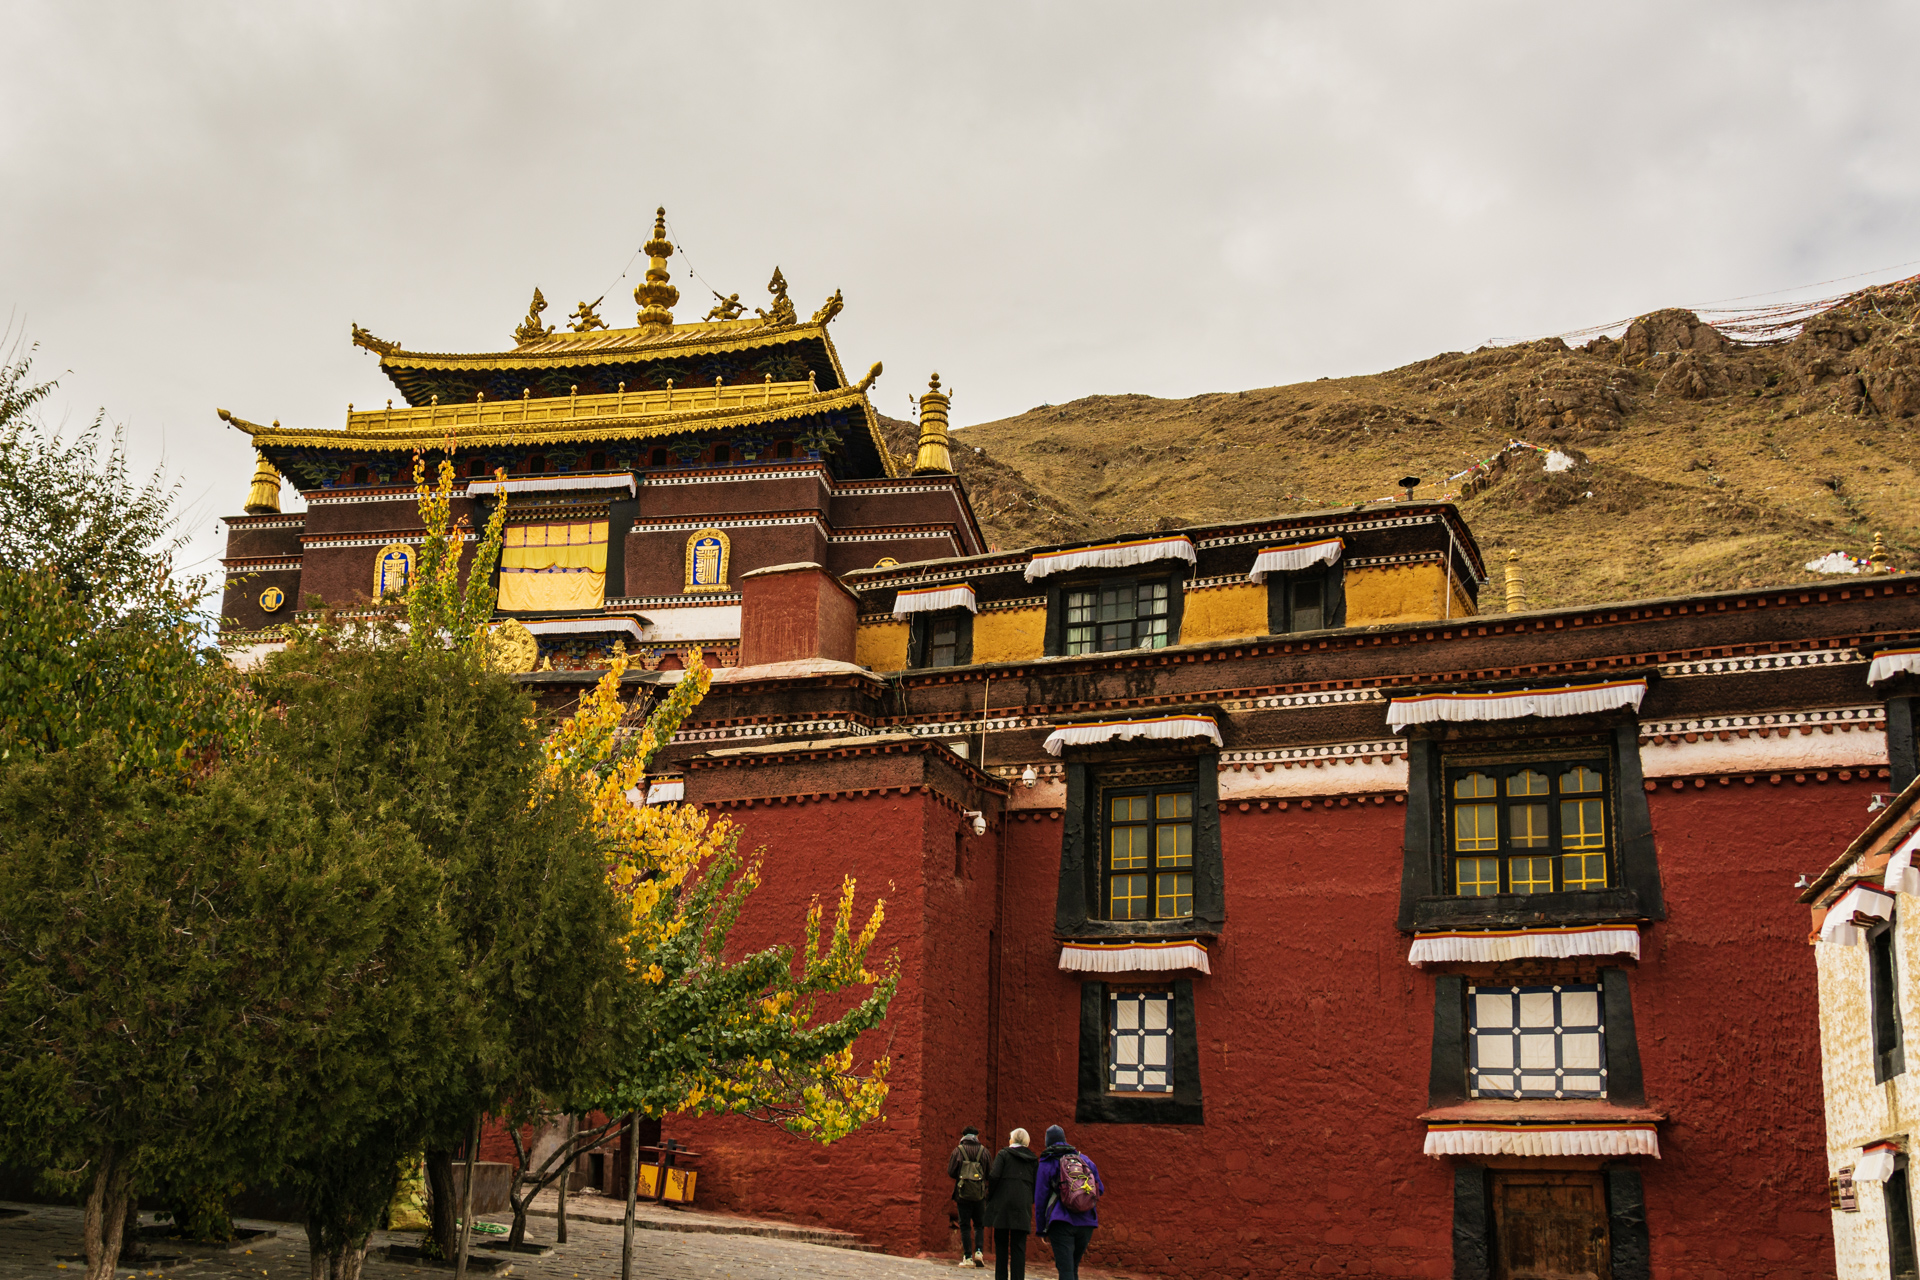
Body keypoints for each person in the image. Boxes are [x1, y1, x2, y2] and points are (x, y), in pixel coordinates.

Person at [1033, 1125, 1103, 1280]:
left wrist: (1042, 1229)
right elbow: (1100, 1189)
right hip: (1086, 1222)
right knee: (1073, 1268)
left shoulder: (1047, 1162)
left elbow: (1040, 1198)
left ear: (1047, 1142)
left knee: (1065, 1270)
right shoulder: (1084, 1160)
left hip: (1061, 1222)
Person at [984, 1127, 1038, 1280]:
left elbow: (994, 1176)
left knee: (1001, 1246)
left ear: (1012, 1140)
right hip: (1022, 1206)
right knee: (1019, 1247)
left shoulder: (1003, 1154)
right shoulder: (1033, 1160)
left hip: (1002, 1204)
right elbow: (1036, 1184)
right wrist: (1029, 1199)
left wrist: (991, 1195)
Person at [947, 1124, 992, 1267]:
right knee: (979, 1225)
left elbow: (951, 1171)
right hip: (979, 1194)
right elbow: (989, 1173)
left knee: (965, 1225)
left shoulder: (958, 1151)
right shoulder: (984, 1152)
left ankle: (967, 1257)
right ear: (977, 1136)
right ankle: (979, 1252)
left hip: (962, 1194)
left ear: (964, 1136)